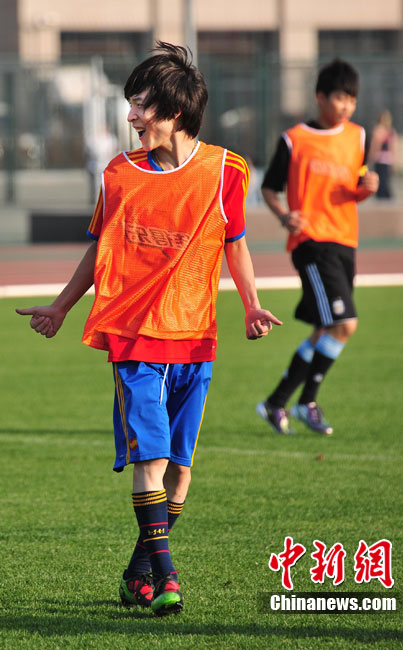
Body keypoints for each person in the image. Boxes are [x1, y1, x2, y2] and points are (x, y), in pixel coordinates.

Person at [16, 42, 281, 617]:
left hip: (196, 340)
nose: (132, 116)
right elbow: (99, 250)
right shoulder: (119, 173)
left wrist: (251, 306)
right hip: (134, 339)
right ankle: (167, 576)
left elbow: (235, 244)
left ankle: (138, 569)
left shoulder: (227, 172)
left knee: (181, 470)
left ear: (174, 112)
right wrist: (61, 307)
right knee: (151, 459)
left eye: (141, 105)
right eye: (131, 104)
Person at [256, 59, 379, 436]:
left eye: (352, 100)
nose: (346, 106)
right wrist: (284, 216)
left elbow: (355, 184)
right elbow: (268, 187)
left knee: (324, 329)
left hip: (345, 240)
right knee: (344, 324)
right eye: (340, 98)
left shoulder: (358, 137)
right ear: (320, 97)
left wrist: (367, 188)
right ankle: (305, 402)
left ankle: (276, 403)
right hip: (311, 241)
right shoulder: (295, 139)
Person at [368, 109, 398, 199]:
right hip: (388, 159)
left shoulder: (378, 130)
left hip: (379, 158)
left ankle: (382, 195)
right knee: (386, 179)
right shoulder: (392, 131)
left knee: (380, 179)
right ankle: (386, 195)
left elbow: (375, 145)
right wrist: (394, 162)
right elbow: (393, 148)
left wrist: (370, 157)